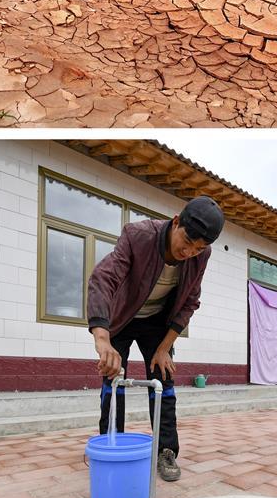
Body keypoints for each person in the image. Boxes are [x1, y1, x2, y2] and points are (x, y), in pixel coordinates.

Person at [88, 195, 225, 482]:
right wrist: (102, 336)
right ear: (176, 222)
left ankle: (166, 451)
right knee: (114, 380)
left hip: (157, 323)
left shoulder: (202, 255)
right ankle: (111, 444)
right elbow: (103, 278)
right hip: (122, 316)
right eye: (187, 241)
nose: (189, 252)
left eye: (199, 248)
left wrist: (165, 348)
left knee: (163, 381)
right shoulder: (138, 235)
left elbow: (190, 301)